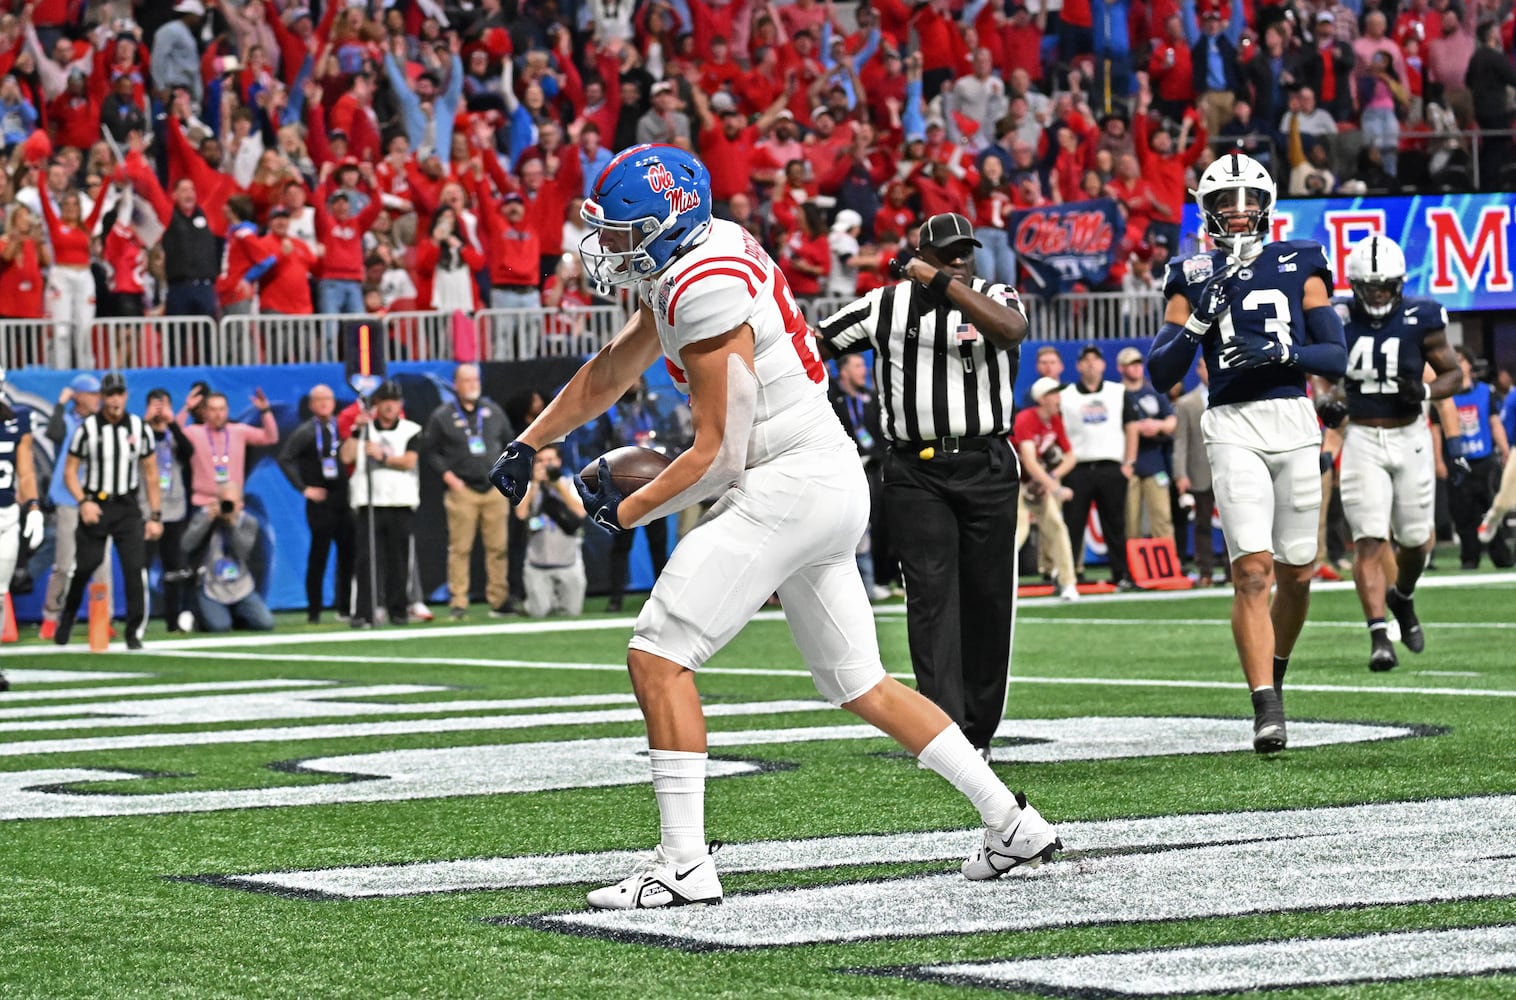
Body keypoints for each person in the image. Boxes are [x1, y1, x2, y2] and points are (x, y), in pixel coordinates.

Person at [490, 146, 1059, 910]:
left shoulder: (705, 284)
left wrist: (624, 511)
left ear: (667, 226)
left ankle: (684, 864)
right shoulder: (697, 254)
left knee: (658, 653)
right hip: (816, 476)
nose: (610, 248)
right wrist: (532, 440)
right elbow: (614, 367)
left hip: (785, 482)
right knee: (859, 681)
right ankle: (1011, 821)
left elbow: (719, 459)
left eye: (625, 232)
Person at [1148, 152, 1347, 753]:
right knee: (1253, 571)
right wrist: (1199, 322)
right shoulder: (1189, 270)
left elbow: (1335, 355)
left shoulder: (1303, 256)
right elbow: (1163, 372)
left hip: (1293, 417)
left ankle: (1276, 669)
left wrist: (1283, 357)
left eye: (1248, 199)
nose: (1239, 211)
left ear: (1267, 204)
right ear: (1208, 210)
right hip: (1230, 422)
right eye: (1226, 202)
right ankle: (1265, 703)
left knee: (1298, 571)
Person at [817, 211, 1032, 762]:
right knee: (931, 599)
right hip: (916, 469)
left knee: (987, 597)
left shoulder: (996, 294)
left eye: (966, 251)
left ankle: (980, 729)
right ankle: (947, 733)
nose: (960, 261)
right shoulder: (883, 305)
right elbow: (816, 345)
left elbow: (1011, 331)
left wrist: (937, 280)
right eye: (947, 253)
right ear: (923, 252)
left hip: (985, 462)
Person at [1337, 236, 1463, 671]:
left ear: (1399, 284)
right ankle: (1378, 636)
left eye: (1384, 286)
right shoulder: (1336, 316)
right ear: (1355, 285)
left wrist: (1425, 390)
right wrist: (1327, 398)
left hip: (1410, 435)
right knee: (1369, 539)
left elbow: (1455, 373)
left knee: (1415, 541)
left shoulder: (1421, 315)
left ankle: (1402, 597)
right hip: (1361, 437)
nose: (1376, 294)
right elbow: (1316, 370)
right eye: (1369, 287)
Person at [55, 372, 163, 650]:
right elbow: (70, 471)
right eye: (110, 395)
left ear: (126, 396)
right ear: (102, 397)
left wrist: (155, 515)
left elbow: (151, 473)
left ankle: (134, 632)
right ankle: (66, 618)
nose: (115, 400)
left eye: (119, 394)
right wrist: (83, 502)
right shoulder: (87, 428)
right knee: (85, 567)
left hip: (127, 507)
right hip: (97, 505)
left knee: (133, 569)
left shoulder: (139, 428)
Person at [424, 364, 516, 619]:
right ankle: (459, 602)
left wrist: (505, 472)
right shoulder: (442, 415)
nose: (472, 384)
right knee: (460, 548)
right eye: (466, 380)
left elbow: (511, 441)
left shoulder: (493, 411)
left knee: (498, 547)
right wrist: (448, 477)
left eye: (475, 379)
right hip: (462, 488)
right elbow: (430, 450)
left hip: (493, 489)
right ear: (455, 384)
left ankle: (499, 600)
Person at [341, 380, 422, 629]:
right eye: (385, 401)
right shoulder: (365, 430)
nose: (389, 406)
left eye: (394, 401)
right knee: (366, 560)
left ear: (400, 405)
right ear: (376, 404)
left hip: (400, 500)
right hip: (370, 502)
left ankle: (398, 610)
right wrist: (357, 431)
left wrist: (382, 456)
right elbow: (346, 456)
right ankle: (364, 611)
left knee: (398, 561)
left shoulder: (411, 429)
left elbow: (409, 461)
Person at [41, 374, 110, 640]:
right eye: (91, 394)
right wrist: (61, 403)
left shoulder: (102, 423)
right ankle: (51, 616)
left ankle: (103, 616)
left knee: (101, 563)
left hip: (97, 498)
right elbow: (53, 432)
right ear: (78, 395)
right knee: (65, 562)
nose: (97, 399)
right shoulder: (68, 421)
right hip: (69, 498)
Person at [277, 384, 353, 624]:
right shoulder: (306, 432)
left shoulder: (341, 429)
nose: (323, 404)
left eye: (327, 399)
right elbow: (285, 459)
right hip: (321, 501)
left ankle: (346, 607)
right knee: (319, 555)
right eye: (318, 400)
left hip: (345, 498)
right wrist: (304, 488)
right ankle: (314, 610)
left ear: (333, 403)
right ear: (311, 405)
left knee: (348, 555)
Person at [1060, 345, 1131, 586]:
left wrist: (1128, 462)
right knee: (1072, 526)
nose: (1091, 364)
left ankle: (1120, 574)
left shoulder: (1118, 392)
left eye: (1095, 360)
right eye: (1086, 360)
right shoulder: (1065, 394)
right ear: (1078, 366)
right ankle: (1069, 575)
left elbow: (1131, 426)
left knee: (1115, 523)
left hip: (1110, 465)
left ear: (1103, 365)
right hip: (1077, 467)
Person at [1012, 378, 1080, 601]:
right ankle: (1001, 583)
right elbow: (1029, 461)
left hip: (1037, 485)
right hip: (1016, 484)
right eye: (1054, 394)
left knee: (1057, 528)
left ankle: (1068, 583)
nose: (1059, 398)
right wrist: (1055, 489)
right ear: (1042, 399)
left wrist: (1051, 477)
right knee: (1017, 534)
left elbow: (1071, 456)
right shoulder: (1026, 419)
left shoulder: (1055, 420)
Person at [1446, 347, 1512, 569]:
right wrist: (1437, 460)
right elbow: (1436, 430)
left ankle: (1501, 556)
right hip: (1458, 461)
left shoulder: (1485, 392)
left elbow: (1495, 423)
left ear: (1469, 364)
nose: (1458, 364)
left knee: (1492, 512)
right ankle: (1469, 557)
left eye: (1461, 360)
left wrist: (1504, 450)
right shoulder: (1445, 396)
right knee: (1463, 514)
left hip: (1484, 460)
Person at [179, 483, 272, 633]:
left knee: (265, 623)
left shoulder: (248, 522)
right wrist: (205, 521)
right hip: (211, 585)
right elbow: (186, 545)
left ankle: (237, 615)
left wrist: (231, 524)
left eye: (231, 503)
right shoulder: (205, 516)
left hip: (240, 586)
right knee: (219, 627)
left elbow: (242, 552)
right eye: (223, 502)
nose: (227, 507)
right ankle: (202, 618)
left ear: (240, 505)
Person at [0, 374, 44, 689]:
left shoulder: (17, 421)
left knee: (0, 594)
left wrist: (33, 508)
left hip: (6, 516)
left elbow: (26, 471)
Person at [142, 389, 196, 631]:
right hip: (146, 509)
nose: (159, 411)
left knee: (174, 568)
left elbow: (188, 451)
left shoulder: (175, 435)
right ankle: (139, 619)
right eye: (155, 406)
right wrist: (145, 422)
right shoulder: (139, 433)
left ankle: (173, 622)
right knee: (141, 566)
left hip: (174, 510)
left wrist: (172, 422)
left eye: (163, 406)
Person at [513, 443, 587, 617]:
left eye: (550, 460)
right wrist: (535, 485)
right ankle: (533, 603)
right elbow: (521, 514)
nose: (545, 465)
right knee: (539, 614)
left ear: (559, 462)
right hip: (537, 563)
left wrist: (558, 486)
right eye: (540, 461)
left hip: (568, 562)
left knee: (572, 613)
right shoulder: (528, 487)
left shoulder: (570, 484)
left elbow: (581, 512)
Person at [179, 386, 279, 507]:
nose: (218, 414)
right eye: (213, 409)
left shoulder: (239, 431)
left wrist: (265, 411)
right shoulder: (194, 432)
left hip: (233, 503)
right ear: (205, 412)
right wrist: (186, 409)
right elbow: (173, 436)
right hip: (203, 503)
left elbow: (271, 438)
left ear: (227, 410)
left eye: (222, 409)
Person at [1119, 346, 1177, 542]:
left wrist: (1157, 425)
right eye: (1130, 365)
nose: (1136, 368)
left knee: (1161, 516)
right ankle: (1132, 567)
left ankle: (1167, 565)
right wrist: (1133, 429)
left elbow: (1172, 421)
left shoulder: (1153, 393)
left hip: (1154, 462)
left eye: (1138, 364)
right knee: (1130, 519)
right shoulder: (1117, 394)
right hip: (1128, 463)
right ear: (1121, 368)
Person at [1173, 357, 1219, 584]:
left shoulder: (1231, 396)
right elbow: (1180, 442)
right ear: (1198, 369)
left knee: (1237, 523)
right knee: (1201, 525)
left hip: (1230, 469)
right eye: (1205, 366)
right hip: (1199, 471)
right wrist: (1180, 474)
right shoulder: (1186, 403)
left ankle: (1235, 571)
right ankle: (1206, 571)